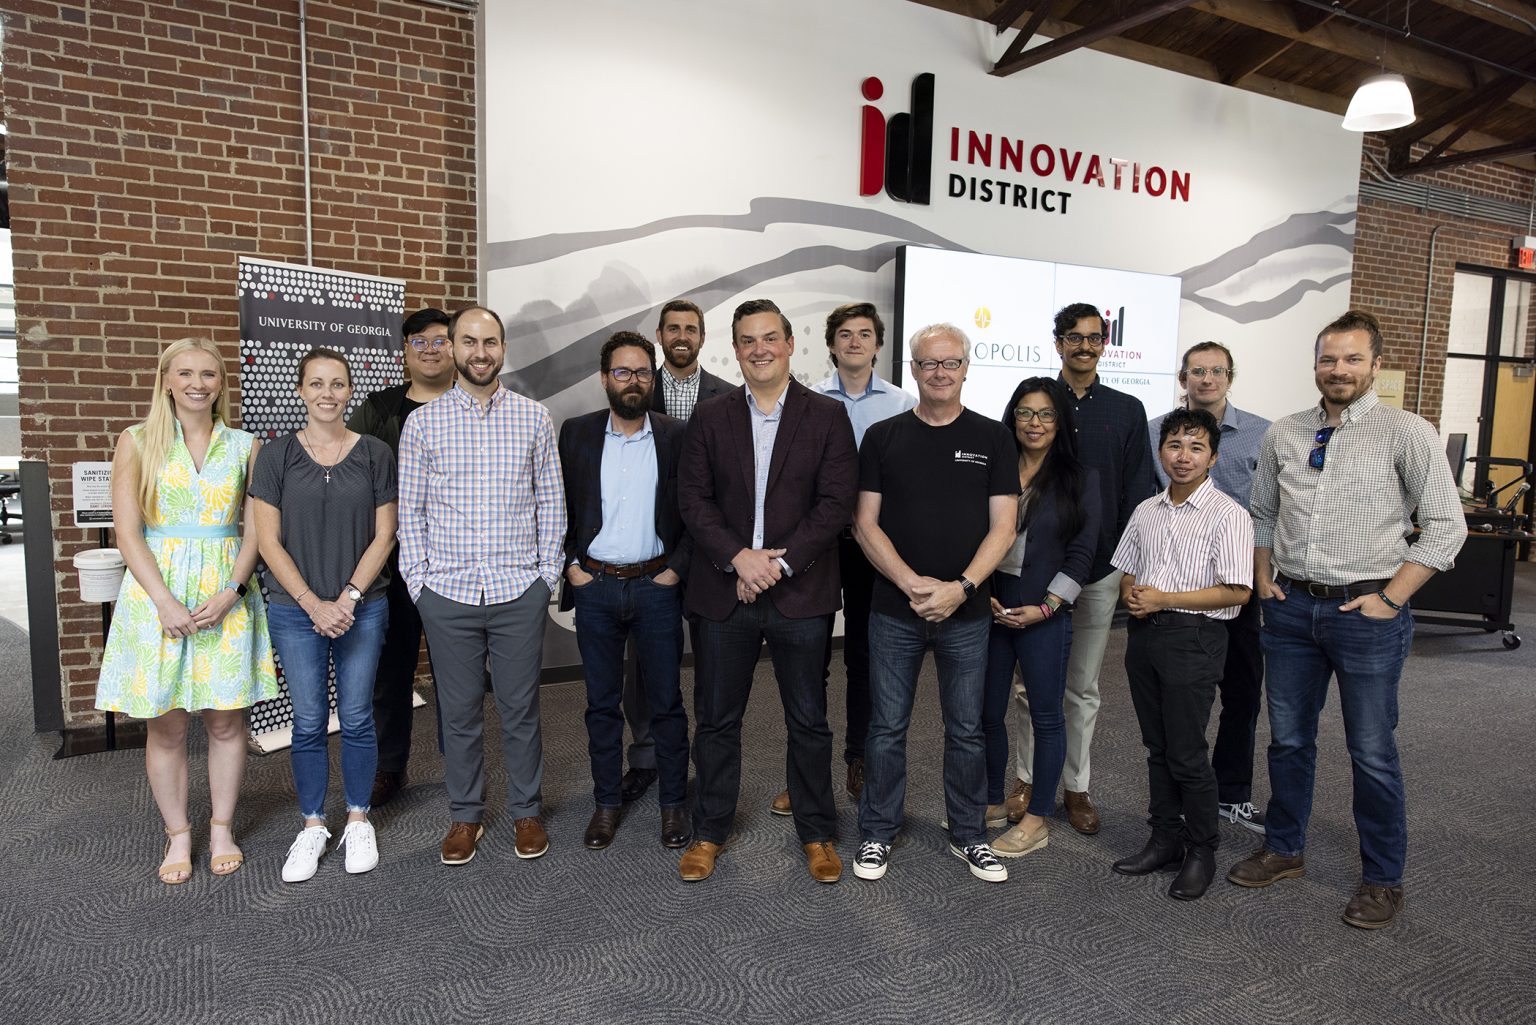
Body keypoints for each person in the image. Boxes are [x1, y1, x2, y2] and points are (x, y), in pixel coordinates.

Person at [1228, 310, 1466, 930]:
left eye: (1352, 359)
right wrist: (1261, 577)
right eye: (1329, 359)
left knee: (1371, 750)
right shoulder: (1286, 432)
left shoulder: (1406, 432)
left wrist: (1391, 598)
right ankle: (1283, 849)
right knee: (1288, 741)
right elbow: (1262, 516)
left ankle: (1382, 879)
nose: (1339, 370)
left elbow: (1447, 527)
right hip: (1290, 610)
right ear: (1315, 364)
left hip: (1366, 612)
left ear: (1375, 365)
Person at [675, 298, 857, 884]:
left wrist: (775, 567)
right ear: (736, 349)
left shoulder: (827, 416)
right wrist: (738, 558)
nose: (759, 349)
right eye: (747, 340)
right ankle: (709, 831)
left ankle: (817, 832)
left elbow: (835, 505)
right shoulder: (711, 416)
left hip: (799, 594)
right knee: (716, 720)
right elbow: (693, 499)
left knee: (808, 720)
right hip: (724, 592)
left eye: (769, 338)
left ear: (789, 344)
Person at [95, 337, 278, 884]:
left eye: (210, 375)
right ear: (167, 380)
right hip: (157, 595)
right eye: (186, 373)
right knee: (167, 727)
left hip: (224, 593)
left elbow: (257, 529)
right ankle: (178, 834)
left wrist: (233, 590)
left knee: (227, 722)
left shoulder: (246, 445)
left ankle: (221, 827)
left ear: (221, 384)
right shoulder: (136, 441)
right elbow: (127, 533)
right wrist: (164, 599)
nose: (198, 383)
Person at [398, 305, 567, 866]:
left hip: (519, 590)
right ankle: (465, 816)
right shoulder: (422, 424)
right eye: (468, 341)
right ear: (450, 347)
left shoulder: (534, 418)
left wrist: (546, 578)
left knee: (521, 709)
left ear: (503, 348)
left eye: (489, 342)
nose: (479, 352)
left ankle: (526, 810)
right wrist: (419, 585)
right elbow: (411, 516)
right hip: (447, 594)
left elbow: (553, 504)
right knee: (459, 711)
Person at [851, 323, 1019, 884]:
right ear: (914, 370)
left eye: (950, 363)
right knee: (886, 728)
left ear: (966, 369)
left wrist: (961, 588)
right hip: (894, 610)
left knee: (966, 729)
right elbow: (864, 523)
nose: (940, 373)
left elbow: (1004, 527)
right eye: (929, 363)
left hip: (967, 613)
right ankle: (877, 831)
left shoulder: (995, 438)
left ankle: (969, 835)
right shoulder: (882, 437)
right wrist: (912, 584)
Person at [1007, 302, 1156, 834]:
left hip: (1100, 571)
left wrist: (1131, 567)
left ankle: (1075, 786)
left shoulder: (1127, 409)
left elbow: (1140, 495)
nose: (1084, 346)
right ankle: (1027, 779)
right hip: (1036, 573)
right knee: (1030, 688)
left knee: (1083, 688)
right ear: (1059, 343)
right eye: (1074, 337)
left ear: (1105, 344)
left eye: (1094, 338)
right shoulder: (1038, 401)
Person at [252, 347, 399, 882]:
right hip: (295, 612)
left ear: (349, 391)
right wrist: (315, 604)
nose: (327, 394)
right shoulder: (275, 456)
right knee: (310, 720)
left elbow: (386, 534)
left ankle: (358, 817)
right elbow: (267, 541)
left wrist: (349, 599)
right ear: (300, 391)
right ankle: (313, 824)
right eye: (316, 384)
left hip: (365, 606)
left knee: (358, 717)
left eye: (337, 384)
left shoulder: (376, 454)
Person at [766, 302, 916, 817]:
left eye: (865, 334)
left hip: (874, 548)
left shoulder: (903, 403)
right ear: (830, 344)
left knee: (865, 660)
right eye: (845, 334)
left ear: (878, 344)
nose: (855, 342)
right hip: (814, 547)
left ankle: (858, 760)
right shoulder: (801, 399)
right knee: (808, 662)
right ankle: (804, 777)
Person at [1111, 408, 1253, 901]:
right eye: (1174, 445)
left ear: (1213, 457)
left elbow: (1237, 591)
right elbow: (1128, 569)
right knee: (1158, 747)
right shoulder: (1147, 510)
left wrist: (1163, 598)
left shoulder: (1229, 515)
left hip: (1195, 638)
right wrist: (1133, 592)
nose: (1183, 456)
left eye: (1196, 447)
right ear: (1161, 452)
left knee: (1189, 753)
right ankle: (1164, 838)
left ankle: (1201, 849)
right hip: (1145, 635)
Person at [558, 331, 692, 851]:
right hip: (595, 587)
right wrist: (572, 566)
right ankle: (607, 803)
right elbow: (557, 503)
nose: (632, 381)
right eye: (622, 372)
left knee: (667, 703)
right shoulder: (576, 433)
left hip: (658, 587)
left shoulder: (677, 434)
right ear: (604, 379)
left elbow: (696, 509)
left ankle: (673, 805)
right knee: (600, 704)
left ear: (652, 378)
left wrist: (676, 571)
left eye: (641, 372)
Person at [1148, 342, 1272, 835]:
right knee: (1181, 699)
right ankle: (1183, 794)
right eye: (1197, 371)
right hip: (1175, 586)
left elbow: (1270, 509)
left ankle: (1232, 794)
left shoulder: (1263, 434)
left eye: (1216, 370)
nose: (1207, 379)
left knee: (1241, 692)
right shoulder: (1158, 432)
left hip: (1237, 582)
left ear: (1229, 376)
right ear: (1183, 378)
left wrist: (1263, 573)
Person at [618, 299, 733, 804]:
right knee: (642, 667)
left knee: (712, 664)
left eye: (691, 328)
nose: (682, 335)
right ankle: (646, 756)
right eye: (673, 329)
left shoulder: (730, 397)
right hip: (653, 551)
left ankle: (706, 762)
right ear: (660, 336)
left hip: (710, 551)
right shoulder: (638, 389)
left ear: (702, 338)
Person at [982, 378, 1099, 860]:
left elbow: (1083, 551)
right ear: (1012, 416)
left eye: (1046, 414)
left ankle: (1037, 819)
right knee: (985, 714)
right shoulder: (994, 467)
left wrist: (1050, 606)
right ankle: (991, 801)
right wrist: (981, 592)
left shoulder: (1079, 476)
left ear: (1060, 422)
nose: (1034, 423)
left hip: (1044, 609)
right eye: (1025, 413)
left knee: (1047, 716)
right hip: (991, 605)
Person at [348, 307, 457, 808]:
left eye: (441, 339)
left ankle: (461, 767)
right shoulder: (379, 408)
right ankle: (390, 767)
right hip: (391, 569)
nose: (431, 348)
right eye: (420, 341)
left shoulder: (470, 403)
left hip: (455, 566)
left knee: (456, 677)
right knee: (390, 675)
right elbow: (352, 476)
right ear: (405, 351)